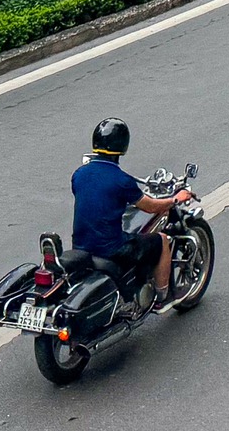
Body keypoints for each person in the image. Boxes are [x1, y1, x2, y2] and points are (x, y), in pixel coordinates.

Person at [72, 118, 193, 311]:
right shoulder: (122, 181)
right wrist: (175, 199)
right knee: (161, 240)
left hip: (81, 246)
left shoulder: (79, 174)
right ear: (123, 145)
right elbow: (151, 206)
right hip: (111, 249)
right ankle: (163, 297)